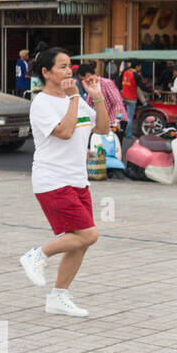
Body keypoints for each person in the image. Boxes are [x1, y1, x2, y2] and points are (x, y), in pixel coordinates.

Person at [18, 48, 109, 318]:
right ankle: (37, 255)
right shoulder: (42, 103)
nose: (69, 71)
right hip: (52, 179)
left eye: (70, 66)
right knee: (89, 233)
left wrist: (97, 98)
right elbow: (66, 132)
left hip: (78, 179)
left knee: (80, 241)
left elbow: (102, 129)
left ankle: (58, 296)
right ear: (46, 73)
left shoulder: (79, 100)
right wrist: (72, 99)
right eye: (62, 67)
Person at [75, 64, 126, 135]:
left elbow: (117, 103)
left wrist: (117, 121)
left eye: (82, 79)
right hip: (104, 123)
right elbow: (88, 106)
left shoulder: (106, 83)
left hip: (116, 121)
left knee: (114, 144)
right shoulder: (91, 87)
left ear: (88, 75)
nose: (82, 82)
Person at [120, 60, 140, 138]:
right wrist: (152, 90)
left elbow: (119, 81)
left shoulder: (125, 72)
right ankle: (128, 134)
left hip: (123, 96)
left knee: (122, 116)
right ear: (137, 66)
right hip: (131, 99)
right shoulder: (135, 75)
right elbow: (141, 86)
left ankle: (121, 131)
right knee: (130, 117)